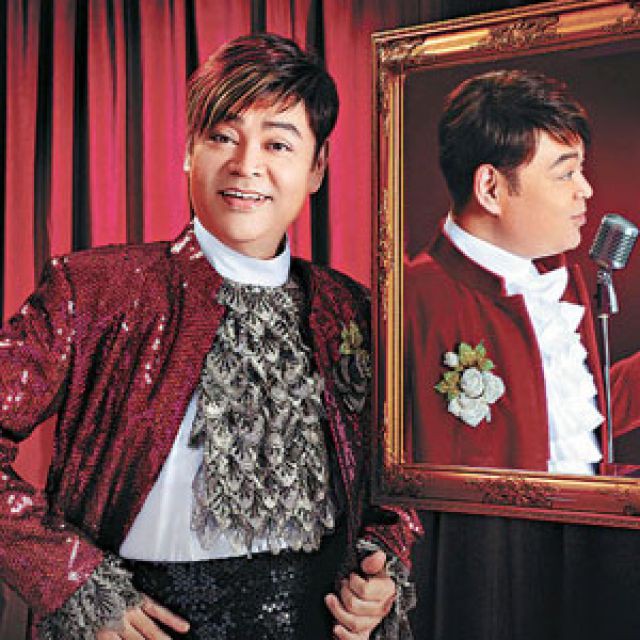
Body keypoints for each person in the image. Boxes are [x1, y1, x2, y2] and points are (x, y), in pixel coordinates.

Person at [0, 33, 420, 640]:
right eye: (223, 136)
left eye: (278, 143)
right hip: (141, 621)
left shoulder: (350, 310)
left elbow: (393, 479)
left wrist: (380, 568)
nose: (246, 165)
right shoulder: (95, 290)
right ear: (189, 151)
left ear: (317, 167)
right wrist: (74, 582)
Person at [404, 68, 606, 473]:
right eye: (566, 173)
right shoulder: (412, 300)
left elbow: (563, 417)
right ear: (491, 189)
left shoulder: (557, 279)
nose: (585, 190)